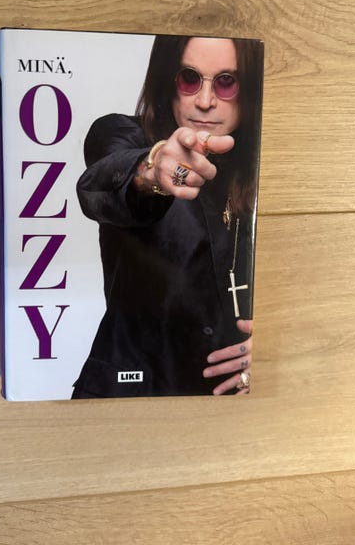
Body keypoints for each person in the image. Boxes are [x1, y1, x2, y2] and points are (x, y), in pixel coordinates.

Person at [72, 34, 263, 398]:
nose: (204, 101)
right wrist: (151, 170)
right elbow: (99, 186)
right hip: (127, 401)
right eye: (189, 78)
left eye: (226, 83)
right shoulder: (122, 135)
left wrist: (272, 348)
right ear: (167, 79)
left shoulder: (268, 165)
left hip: (232, 407)